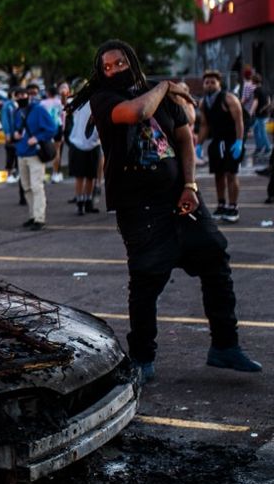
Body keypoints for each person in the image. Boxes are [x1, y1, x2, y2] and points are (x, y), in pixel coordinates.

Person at [71, 39, 261, 380]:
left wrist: (190, 185)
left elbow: (185, 139)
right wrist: (165, 87)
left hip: (180, 200)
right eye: (107, 67)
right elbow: (137, 113)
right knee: (146, 281)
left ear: (132, 61)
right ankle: (143, 359)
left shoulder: (163, 98)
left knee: (215, 260)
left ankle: (225, 346)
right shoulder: (103, 100)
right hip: (139, 209)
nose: (113, 70)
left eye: (119, 63)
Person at [198, 70, 245, 223]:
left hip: (231, 141)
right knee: (218, 175)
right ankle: (221, 205)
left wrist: (239, 141)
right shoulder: (204, 102)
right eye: (207, 82)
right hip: (216, 143)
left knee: (231, 174)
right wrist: (198, 144)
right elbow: (205, 125)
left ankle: (233, 207)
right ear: (204, 84)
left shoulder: (229, 98)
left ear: (219, 83)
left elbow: (239, 121)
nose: (210, 84)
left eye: (213, 82)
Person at [14, 83, 57, 230]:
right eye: (18, 96)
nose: (21, 98)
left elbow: (52, 128)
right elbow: (17, 129)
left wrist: (38, 138)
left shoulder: (38, 110)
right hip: (21, 153)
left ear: (28, 95)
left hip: (35, 154)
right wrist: (16, 135)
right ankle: (32, 215)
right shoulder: (18, 112)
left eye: (23, 95)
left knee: (36, 186)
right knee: (26, 187)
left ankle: (40, 218)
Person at [67, 100, 101, 215]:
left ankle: (88, 202)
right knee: (80, 176)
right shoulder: (80, 103)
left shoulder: (102, 101)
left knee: (91, 176)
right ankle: (80, 203)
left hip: (94, 144)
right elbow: (67, 105)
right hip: (78, 143)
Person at [1, 87, 25, 184]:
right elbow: (5, 120)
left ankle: (17, 173)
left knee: (18, 154)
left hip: (19, 134)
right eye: (17, 94)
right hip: (11, 134)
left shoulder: (19, 105)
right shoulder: (7, 105)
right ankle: (9, 174)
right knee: (10, 154)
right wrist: (7, 133)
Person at [247, 72, 271, 162]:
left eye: (252, 80)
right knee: (257, 131)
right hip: (265, 114)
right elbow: (269, 102)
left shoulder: (256, 90)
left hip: (260, 115)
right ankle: (259, 147)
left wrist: (250, 112)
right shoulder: (265, 89)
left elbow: (255, 102)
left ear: (254, 81)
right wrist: (265, 109)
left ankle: (268, 148)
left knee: (262, 131)